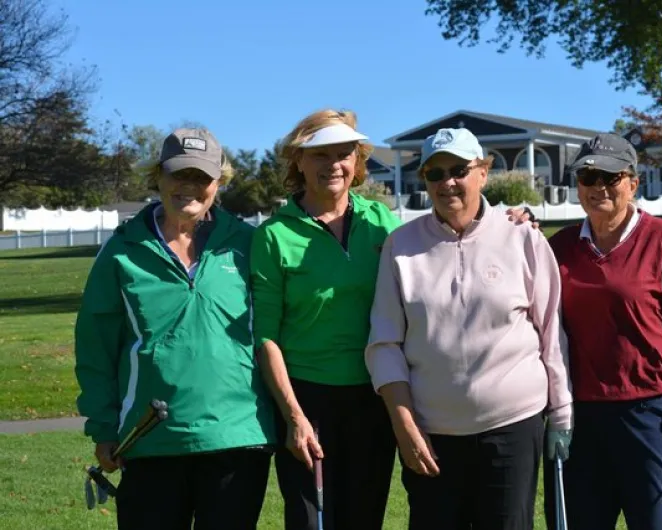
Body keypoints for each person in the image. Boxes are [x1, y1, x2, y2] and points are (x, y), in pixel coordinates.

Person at [250, 111, 535, 530]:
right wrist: (294, 416)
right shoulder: (274, 235)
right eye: (319, 155)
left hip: (374, 399)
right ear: (299, 162)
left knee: (364, 518)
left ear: (357, 161)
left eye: (343, 154)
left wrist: (509, 217)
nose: (333, 164)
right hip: (308, 398)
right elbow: (267, 337)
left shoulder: (382, 223)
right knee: (310, 521)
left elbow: (444, 236)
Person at [364, 127, 573, 530]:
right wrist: (403, 425)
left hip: (513, 426)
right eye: (435, 173)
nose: (448, 183)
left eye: (459, 169)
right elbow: (384, 344)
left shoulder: (522, 238)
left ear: (483, 172)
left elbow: (551, 332)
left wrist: (561, 412)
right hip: (431, 435)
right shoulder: (400, 246)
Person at [75, 128, 278, 530]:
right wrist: (102, 426)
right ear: (158, 177)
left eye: (201, 177)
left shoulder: (249, 244)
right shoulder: (121, 251)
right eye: (178, 174)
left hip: (237, 436)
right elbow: (95, 346)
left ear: (218, 184)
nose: (189, 186)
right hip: (151, 436)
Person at [543, 133, 662, 530]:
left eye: (610, 178)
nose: (598, 188)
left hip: (650, 414)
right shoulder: (558, 248)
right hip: (578, 416)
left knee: (658, 523)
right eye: (587, 178)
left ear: (633, 183)